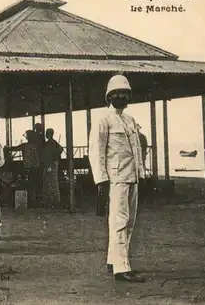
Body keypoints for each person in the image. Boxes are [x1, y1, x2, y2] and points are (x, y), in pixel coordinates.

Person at [88, 74, 146, 283]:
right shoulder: (104, 119)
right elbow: (96, 151)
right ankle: (122, 269)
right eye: (117, 94)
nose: (121, 97)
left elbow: (137, 149)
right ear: (109, 97)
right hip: (116, 178)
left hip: (131, 177)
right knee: (119, 221)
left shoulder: (129, 120)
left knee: (129, 221)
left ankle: (115, 260)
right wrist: (101, 180)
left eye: (125, 94)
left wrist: (140, 173)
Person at [7, 130, 41, 207]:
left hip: (28, 167)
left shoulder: (25, 146)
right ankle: (33, 201)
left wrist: (6, 148)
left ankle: (29, 202)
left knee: (28, 184)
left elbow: (14, 148)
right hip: (36, 167)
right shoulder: (36, 146)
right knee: (34, 184)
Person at [41, 128, 63, 208]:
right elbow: (61, 149)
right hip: (54, 163)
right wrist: (57, 156)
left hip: (50, 165)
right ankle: (54, 201)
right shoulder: (54, 142)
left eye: (47, 133)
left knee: (50, 183)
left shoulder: (48, 143)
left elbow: (47, 156)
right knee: (53, 183)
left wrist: (49, 165)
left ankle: (51, 202)